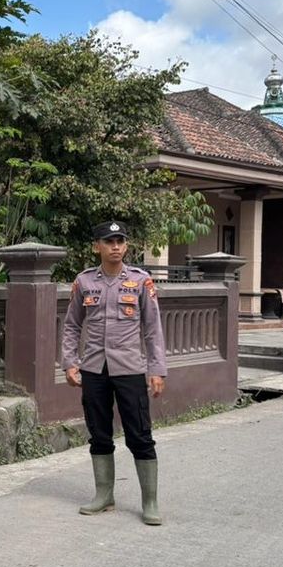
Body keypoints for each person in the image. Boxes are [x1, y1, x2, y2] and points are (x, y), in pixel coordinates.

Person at [61, 221, 167, 525]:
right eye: (109, 241)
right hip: (94, 369)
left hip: (130, 369)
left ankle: (150, 502)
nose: (116, 246)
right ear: (97, 246)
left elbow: (152, 328)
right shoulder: (84, 282)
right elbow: (72, 325)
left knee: (140, 435)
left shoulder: (140, 281)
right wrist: (70, 362)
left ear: (127, 245)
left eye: (120, 241)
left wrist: (156, 369)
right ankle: (104, 494)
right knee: (99, 434)